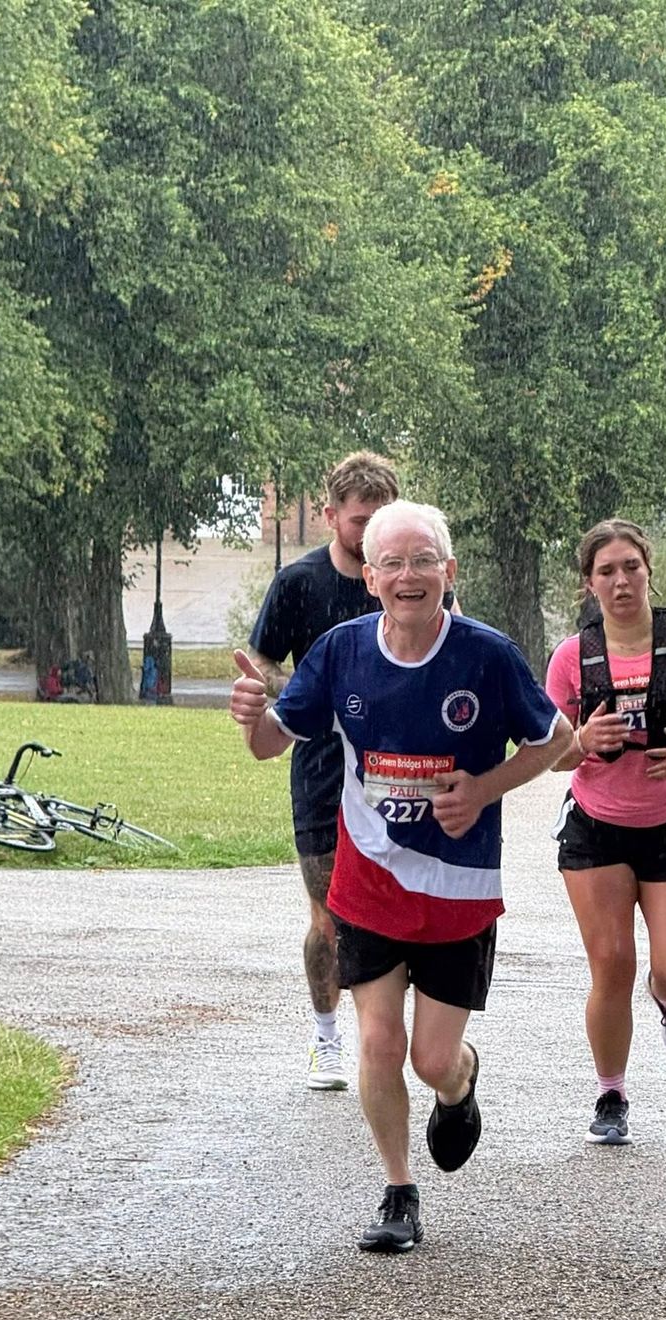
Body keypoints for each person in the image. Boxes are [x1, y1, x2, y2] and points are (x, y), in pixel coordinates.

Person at [231, 501, 571, 1252]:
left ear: (447, 574)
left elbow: (557, 740)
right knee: (380, 1044)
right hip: (369, 880)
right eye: (392, 563)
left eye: (423, 561)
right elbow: (266, 744)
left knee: (431, 1059)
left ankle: (460, 1082)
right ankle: (398, 1191)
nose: (408, 576)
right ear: (372, 578)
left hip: (458, 890)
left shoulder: (486, 655)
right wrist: (250, 713)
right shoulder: (341, 652)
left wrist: (482, 788)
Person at [247, 452, 458, 1092]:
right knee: (329, 912)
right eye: (359, 520)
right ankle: (326, 1035)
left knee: (410, 906)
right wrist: (289, 694)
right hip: (320, 769)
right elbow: (258, 663)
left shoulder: (415, 575)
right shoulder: (299, 584)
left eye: (382, 519)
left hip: (405, 769)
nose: (371, 532)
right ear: (331, 514)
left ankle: (412, 1034)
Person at [545, 519, 666, 1146]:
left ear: (649, 570)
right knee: (611, 964)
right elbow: (546, 753)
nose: (621, 580)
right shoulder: (572, 657)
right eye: (607, 571)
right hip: (595, 828)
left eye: (631, 566)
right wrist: (580, 742)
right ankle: (610, 1093)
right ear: (589, 584)